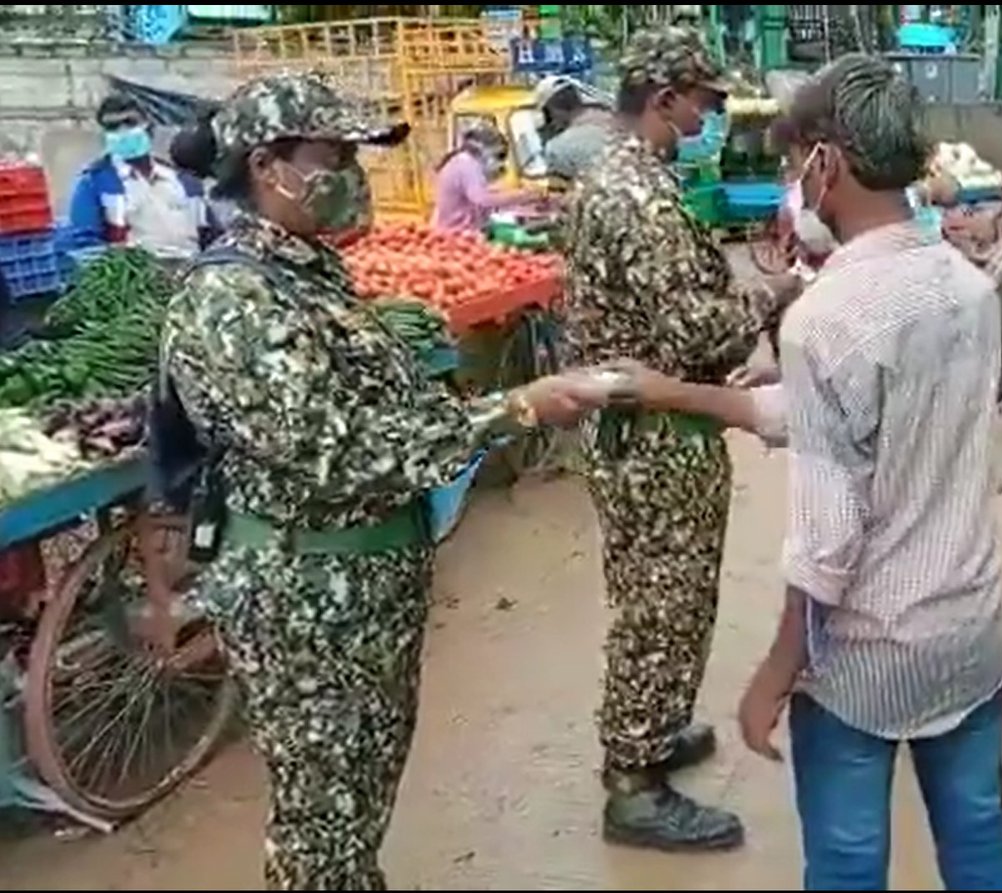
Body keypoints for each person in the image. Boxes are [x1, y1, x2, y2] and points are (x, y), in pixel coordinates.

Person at [159, 72, 614, 890]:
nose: (354, 177)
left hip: (359, 594)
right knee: (322, 825)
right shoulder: (234, 296)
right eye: (335, 157)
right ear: (267, 166)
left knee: (355, 807)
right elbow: (335, 450)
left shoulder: (307, 274)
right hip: (305, 601)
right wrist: (514, 408)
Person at [612, 54, 1002, 891]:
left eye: (795, 161)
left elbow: (829, 537)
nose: (793, 182)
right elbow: (829, 415)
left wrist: (777, 667)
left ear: (826, 161)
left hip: (865, 649)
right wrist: (675, 392)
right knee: (979, 839)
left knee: (845, 861)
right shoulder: (968, 286)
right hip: (968, 628)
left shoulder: (825, 317)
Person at [561, 26, 797, 852]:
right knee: (662, 603)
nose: (709, 117)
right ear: (665, 99)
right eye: (704, 102)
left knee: (661, 592)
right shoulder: (639, 197)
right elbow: (698, 331)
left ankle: (653, 728)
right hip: (654, 435)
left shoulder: (616, 176)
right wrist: (774, 294)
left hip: (642, 424)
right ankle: (634, 782)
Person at [66, 93, 214, 255]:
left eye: (130, 122)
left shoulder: (184, 181)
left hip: (192, 266)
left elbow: (211, 236)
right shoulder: (94, 183)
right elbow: (86, 246)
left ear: (148, 126)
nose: (122, 131)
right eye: (112, 127)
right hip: (136, 269)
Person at [431, 125, 538, 232]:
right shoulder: (468, 165)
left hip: (458, 228)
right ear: (486, 151)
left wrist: (513, 193)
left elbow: (481, 191)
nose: (500, 164)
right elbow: (483, 198)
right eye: (499, 156)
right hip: (457, 231)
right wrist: (522, 195)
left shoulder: (463, 161)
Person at [541, 82, 614, 180]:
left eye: (548, 115)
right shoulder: (625, 126)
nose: (552, 123)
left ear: (554, 110)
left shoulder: (557, 148)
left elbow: (558, 187)